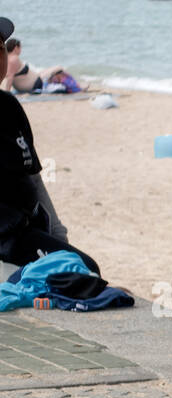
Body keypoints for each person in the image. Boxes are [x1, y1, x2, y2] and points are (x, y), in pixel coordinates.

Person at [0, 17, 99, 273]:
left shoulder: (10, 107)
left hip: (26, 228)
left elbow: (33, 177)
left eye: (0, 49)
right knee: (86, 271)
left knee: (83, 268)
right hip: (5, 239)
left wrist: (59, 237)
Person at [2, 37, 80, 94]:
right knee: (59, 68)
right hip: (35, 84)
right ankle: (77, 87)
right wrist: (7, 93)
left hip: (34, 80)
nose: (20, 50)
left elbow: (8, 75)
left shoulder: (7, 57)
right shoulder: (13, 59)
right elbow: (10, 77)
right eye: (20, 47)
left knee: (52, 72)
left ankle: (75, 86)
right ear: (16, 48)